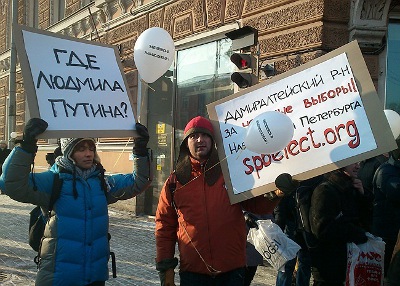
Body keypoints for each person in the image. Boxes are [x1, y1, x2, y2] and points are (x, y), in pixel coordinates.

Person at [0, 118, 152, 286]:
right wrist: (27, 146)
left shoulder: (102, 182)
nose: (88, 153)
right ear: (68, 152)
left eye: (91, 148)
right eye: (81, 149)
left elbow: (139, 181)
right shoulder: (53, 181)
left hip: (95, 276)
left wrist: (140, 150)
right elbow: (11, 184)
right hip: (59, 277)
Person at [155, 116, 291, 286]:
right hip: (193, 273)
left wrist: (275, 194)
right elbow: (164, 228)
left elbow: (256, 206)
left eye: (205, 135)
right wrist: (166, 269)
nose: (199, 140)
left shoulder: (231, 174)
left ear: (213, 141)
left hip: (232, 271)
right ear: (186, 143)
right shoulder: (174, 183)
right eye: (193, 136)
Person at [309, 163, 373, 286]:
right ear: (340, 164)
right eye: (353, 162)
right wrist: (357, 234)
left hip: (348, 264)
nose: (358, 166)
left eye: (359, 162)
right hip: (329, 267)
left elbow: (366, 221)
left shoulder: (351, 188)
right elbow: (322, 229)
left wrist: (363, 196)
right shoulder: (325, 190)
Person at [371, 141, 400, 278]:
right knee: (387, 271)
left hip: (392, 229)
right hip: (387, 231)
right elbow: (396, 193)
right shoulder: (386, 171)